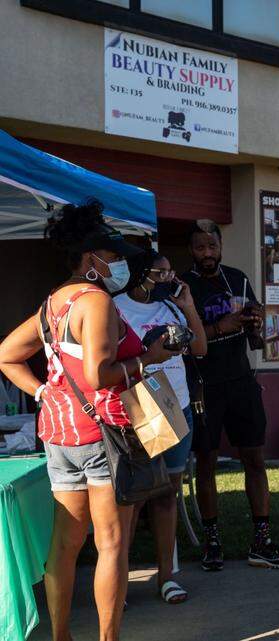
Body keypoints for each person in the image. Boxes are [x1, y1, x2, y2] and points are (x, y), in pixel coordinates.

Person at [0, 201, 181, 640]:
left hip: (60, 435)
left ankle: (61, 636)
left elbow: (7, 354)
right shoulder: (96, 300)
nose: (119, 263)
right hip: (106, 435)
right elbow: (100, 375)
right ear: (90, 259)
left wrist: (44, 392)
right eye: (113, 256)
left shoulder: (53, 302)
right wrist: (149, 359)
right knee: (111, 544)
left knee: (65, 544)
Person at [181, 219, 279, 571]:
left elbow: (255, 340)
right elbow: (185, 342)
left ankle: (261, 541)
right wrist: (219, 327)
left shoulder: (237, 278)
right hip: (204, 386)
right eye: (200, 247)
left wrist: (257, 326)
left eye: (212, 246)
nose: (207, 254)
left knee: (255, 460)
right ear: (191, 250)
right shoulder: (184, 288)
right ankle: (213, 543)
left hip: (242, 381)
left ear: (220, 247)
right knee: (207, 463)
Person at [115, 250, 208, 604]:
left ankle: (167, 577)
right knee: (134, 499)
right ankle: (118, 581)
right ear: (140, 273)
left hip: (175, 404)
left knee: (167, 494)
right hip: (138, 405)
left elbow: (199, 348)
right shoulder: (116, 306)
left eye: (172, 272)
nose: (169, 279)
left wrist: (188, 307)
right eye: (161, 272)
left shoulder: (171, 306)